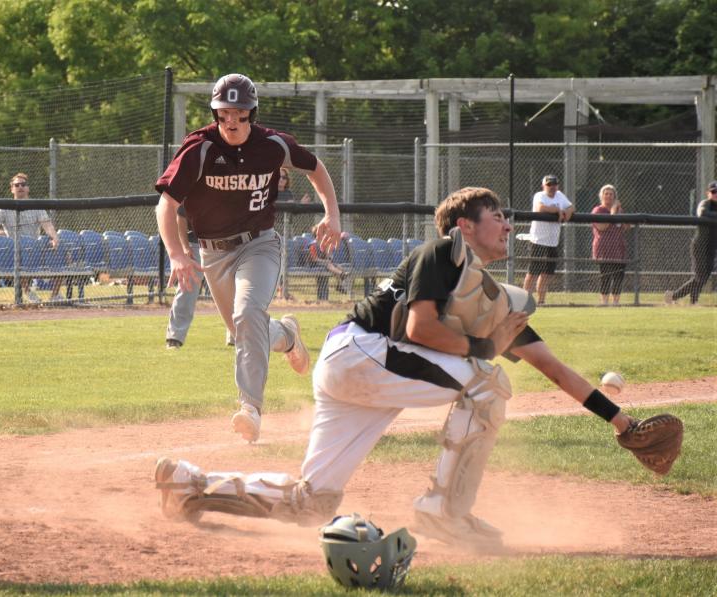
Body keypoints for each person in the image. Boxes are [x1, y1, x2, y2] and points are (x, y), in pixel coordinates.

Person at [154, 187, 653, 552]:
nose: (507, 224)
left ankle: (191, 485)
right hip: (361, 352)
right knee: (486, 383)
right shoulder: (443, 253)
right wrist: (481, 347)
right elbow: (419, 329)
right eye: (496, 215)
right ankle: (445, 511)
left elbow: (553, 368)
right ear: (465, 226)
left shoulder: (491, 300)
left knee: (314, 504)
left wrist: (622, 423)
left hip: (363, 372)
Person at [155, 73, 341, 443]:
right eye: (225, 114)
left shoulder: (272, 144)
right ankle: (287, 335)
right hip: (213, 253)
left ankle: (250, 409)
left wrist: (332, 214)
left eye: (240, 114)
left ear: (251, 114)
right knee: (246, 330)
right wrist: (177, 253)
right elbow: (167, 203)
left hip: (258, 245)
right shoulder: (200, 149)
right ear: (215, 114)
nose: (232, 122)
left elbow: (316, 168)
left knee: (247, 315)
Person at [0, 172, 61, 303]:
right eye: (16, 185)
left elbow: (47, 225)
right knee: (19, 254)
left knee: (62, 252)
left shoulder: (37, 207)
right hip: (13, 251)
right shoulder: (4, 208)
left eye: (23, 184)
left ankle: (55, 295)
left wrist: (54, 238)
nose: (20, 187)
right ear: (12, 188)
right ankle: (28, 292)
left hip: (36, 249)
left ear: (28, 188)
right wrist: (0, 233)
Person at [522, 174, 574, 305]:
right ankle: (524, 301)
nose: (552, 187)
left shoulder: (560, 195)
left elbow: (571, 207)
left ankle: (541, 301)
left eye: (554, 184)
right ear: (543, 186)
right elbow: (541, 208)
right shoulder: (540, 195)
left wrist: (566, 214)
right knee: (532, 272)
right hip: (537, 240)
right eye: (549, 185)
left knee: (546, 274)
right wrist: (557, 210)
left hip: (552, 242)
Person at [665, 180, 717, 305]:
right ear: (708, 193)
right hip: (700, 245)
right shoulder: (706, 203)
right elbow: (702, 213)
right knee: (700, 275)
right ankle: (683, 299)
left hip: (712, 246)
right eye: (713, 191)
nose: (716, 194)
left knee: (704, 276)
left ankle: (682, 299)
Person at [165, 205, 203, 349]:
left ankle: (236, 336)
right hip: (195, 245)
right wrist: (185, 247)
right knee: (187, 288)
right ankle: (175, 337)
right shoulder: (193, 186)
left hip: (223, 246)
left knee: (234, 287)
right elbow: (181, 216)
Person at [591, 184, 630, 306]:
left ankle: (616, 302)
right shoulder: (598, 210)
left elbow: (626, 227)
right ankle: (604, 303)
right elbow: (602, 227)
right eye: (606, 194)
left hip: (619, 248)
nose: (608, 196)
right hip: (604, 249)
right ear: (601, 196)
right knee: (606, 277)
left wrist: (621, 215)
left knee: (618, 276)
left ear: (614, 197)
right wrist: (612, 212)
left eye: (611, 194)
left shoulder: (619, 210)